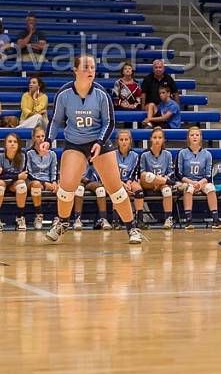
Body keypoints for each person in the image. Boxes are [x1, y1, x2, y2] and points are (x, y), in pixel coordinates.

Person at [42, 54, 143, 244]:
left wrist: (99, 141)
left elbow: (110, 122)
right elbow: (55, 121)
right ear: (75, 70)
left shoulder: (101, 94)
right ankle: (63, 223)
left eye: (93, 68)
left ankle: (132, 228)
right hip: (75, 143)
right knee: (65, 188)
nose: (90, 71)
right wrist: (48, 139)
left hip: (100, 143)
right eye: (86, 67)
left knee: (116, 190)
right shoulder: (63, 94)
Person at [176, 127, 221, 229]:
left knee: (211, 188)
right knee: (189, 188)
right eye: (192, 135)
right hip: (186, 181)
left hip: (202, 182)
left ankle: (215, 220)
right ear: (188, 138)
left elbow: (208, 175)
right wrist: (191, 182)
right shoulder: (182, 153)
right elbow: (178, 173)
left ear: (201, 137)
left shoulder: (207, 154)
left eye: (197, 135)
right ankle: (188, 220)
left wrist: (200, 183)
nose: (195, 137)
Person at [0, 132, 29, 231]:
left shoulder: (23, 154)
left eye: (15, 142)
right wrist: (15, 175)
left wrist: (4, 171)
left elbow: (23, 176)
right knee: (0, 184)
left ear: (19, 144)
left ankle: (20, 217)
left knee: (21, 185)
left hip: (13, 183)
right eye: (10, 141)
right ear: (5, 144)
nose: (12, 144)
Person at [138, 127, 176, 229]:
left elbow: (171, 172)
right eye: (155, 137)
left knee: (167, 190)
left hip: (162, 184)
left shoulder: (167, 155)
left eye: (160, 137)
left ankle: (168, 219)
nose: (157, 140)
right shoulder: (144, 155)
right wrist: (156, 180)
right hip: (148, 184)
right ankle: (163, 181)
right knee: (147, 176)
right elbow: (141, 175)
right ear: (151, 139)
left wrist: (162, 180)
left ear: (163, 140)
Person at [26, 125, 58, 230]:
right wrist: (44, 183)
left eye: (43, 136)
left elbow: (54, 171)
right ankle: (38, 216)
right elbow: (28, 173)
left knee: (61, 187)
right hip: (33, 181)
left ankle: (58, 218)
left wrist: (54, 182)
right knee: (36, 185)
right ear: (33, 138)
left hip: (48, 181)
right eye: (38, 136)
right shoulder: (29, 153)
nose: (41, 139)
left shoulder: (52, 154)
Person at [114, 130, 145, 228]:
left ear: (130, 141)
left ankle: (139, 220)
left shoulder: (135, 155)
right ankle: (116, 221)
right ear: (117, 141)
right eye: (121, 139)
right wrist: (121, 184)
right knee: (116, 190)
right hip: (115, 181)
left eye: (126, 139)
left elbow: (135, 172)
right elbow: (112, 173)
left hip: (129, 181)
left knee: (139, 190)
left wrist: (128, 182)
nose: (124, 142)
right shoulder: (112, 155)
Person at [70, 164, 108, 230]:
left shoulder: (98, 158)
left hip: (92, 182)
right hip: (77, 181)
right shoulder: (78, 156)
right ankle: (77, 219)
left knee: (100, 190)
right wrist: (79, 178)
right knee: (79, 189)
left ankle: (103, 219)